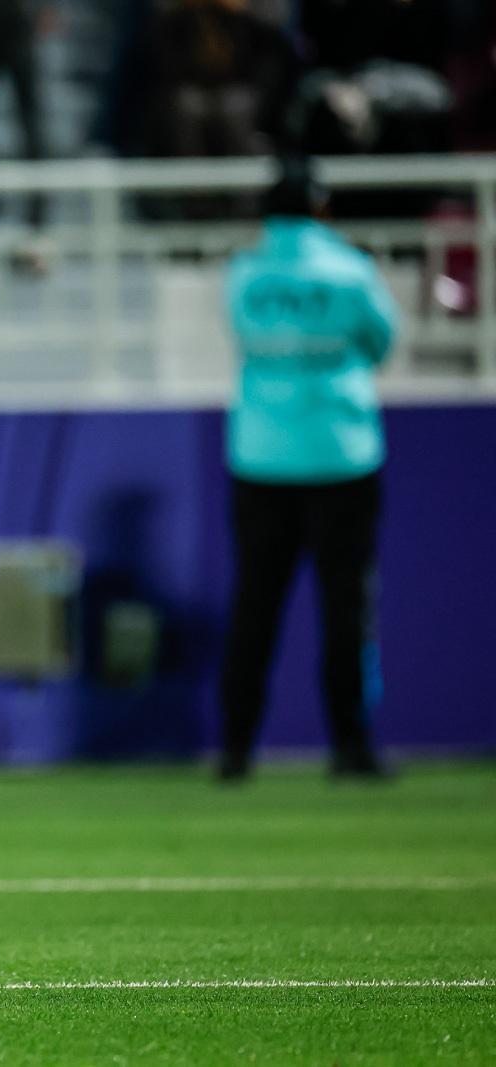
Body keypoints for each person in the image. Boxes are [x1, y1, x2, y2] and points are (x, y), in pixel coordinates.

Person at [218, 162, 397, 782]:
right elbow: (382, 342)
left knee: (254, 607)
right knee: (346, 610)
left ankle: (235, 750)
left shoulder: (244, 274)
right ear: (322, 209)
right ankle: (351, 747)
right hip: (341, 454)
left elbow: (239, 334)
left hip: (260, 456)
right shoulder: (351, 271)